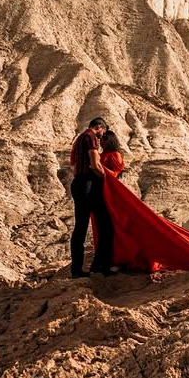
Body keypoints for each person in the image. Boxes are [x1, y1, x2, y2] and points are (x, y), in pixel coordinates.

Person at [69, 116, 116, 278]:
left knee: (81, 227)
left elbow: (74, 166)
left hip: (78, 184)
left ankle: (77, 269)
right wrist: (109, 178)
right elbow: (95, 165)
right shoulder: (91, 138)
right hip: (87, 185)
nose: (103, 136)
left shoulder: (79, 139)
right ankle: (100, 267)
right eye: (103, 132)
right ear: (99, 127)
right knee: (105, 225)